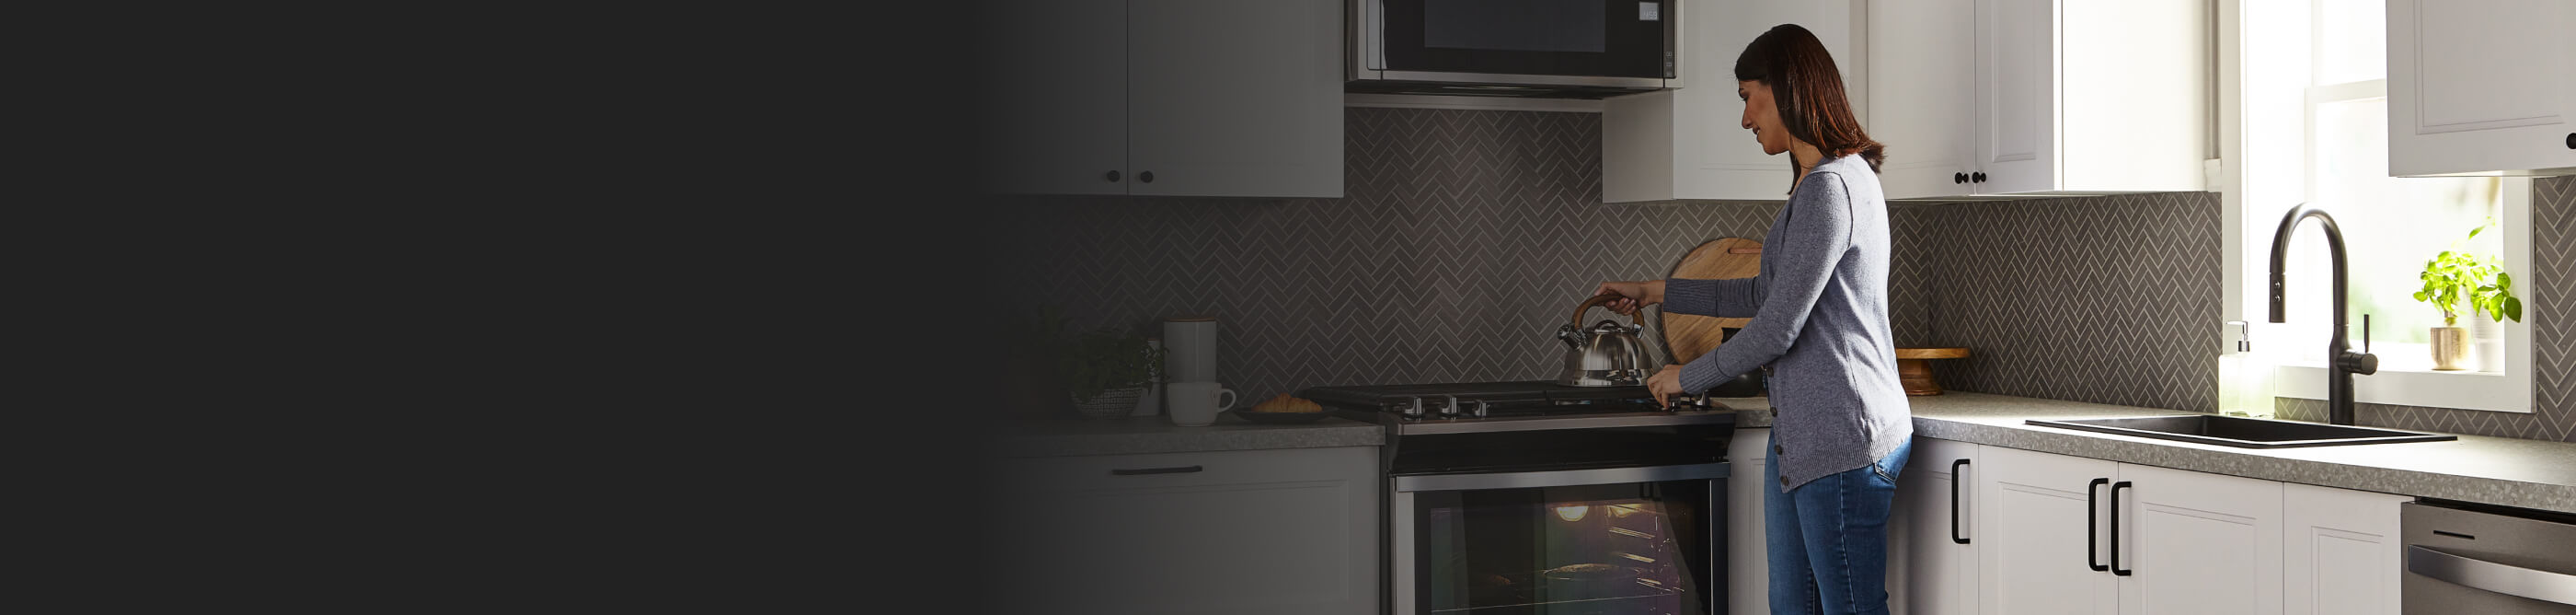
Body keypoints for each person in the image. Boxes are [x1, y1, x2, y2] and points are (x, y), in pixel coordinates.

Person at [1591, 23, 1913, 615]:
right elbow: (1765, 292)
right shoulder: (1823, 185)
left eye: (1747, 97)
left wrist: (1684, 377)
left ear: (1785, 88)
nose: (1745, 119)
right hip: (1806, 438)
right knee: (1792, 605)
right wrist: (1653, 291)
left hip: (1842, 436)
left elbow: (1775, 329)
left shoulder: (1831, 189)